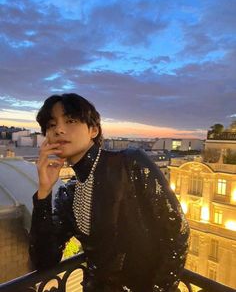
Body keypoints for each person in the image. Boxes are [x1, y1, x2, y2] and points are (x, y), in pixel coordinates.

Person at [29, 93, 189, 292]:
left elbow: (177, 231)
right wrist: (44, 192)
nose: (59, 130)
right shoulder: (70, 193)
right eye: (52, 125)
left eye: (70, 120)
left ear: (93, 130)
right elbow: (44, 260)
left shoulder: (129, 163)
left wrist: (160, 288)